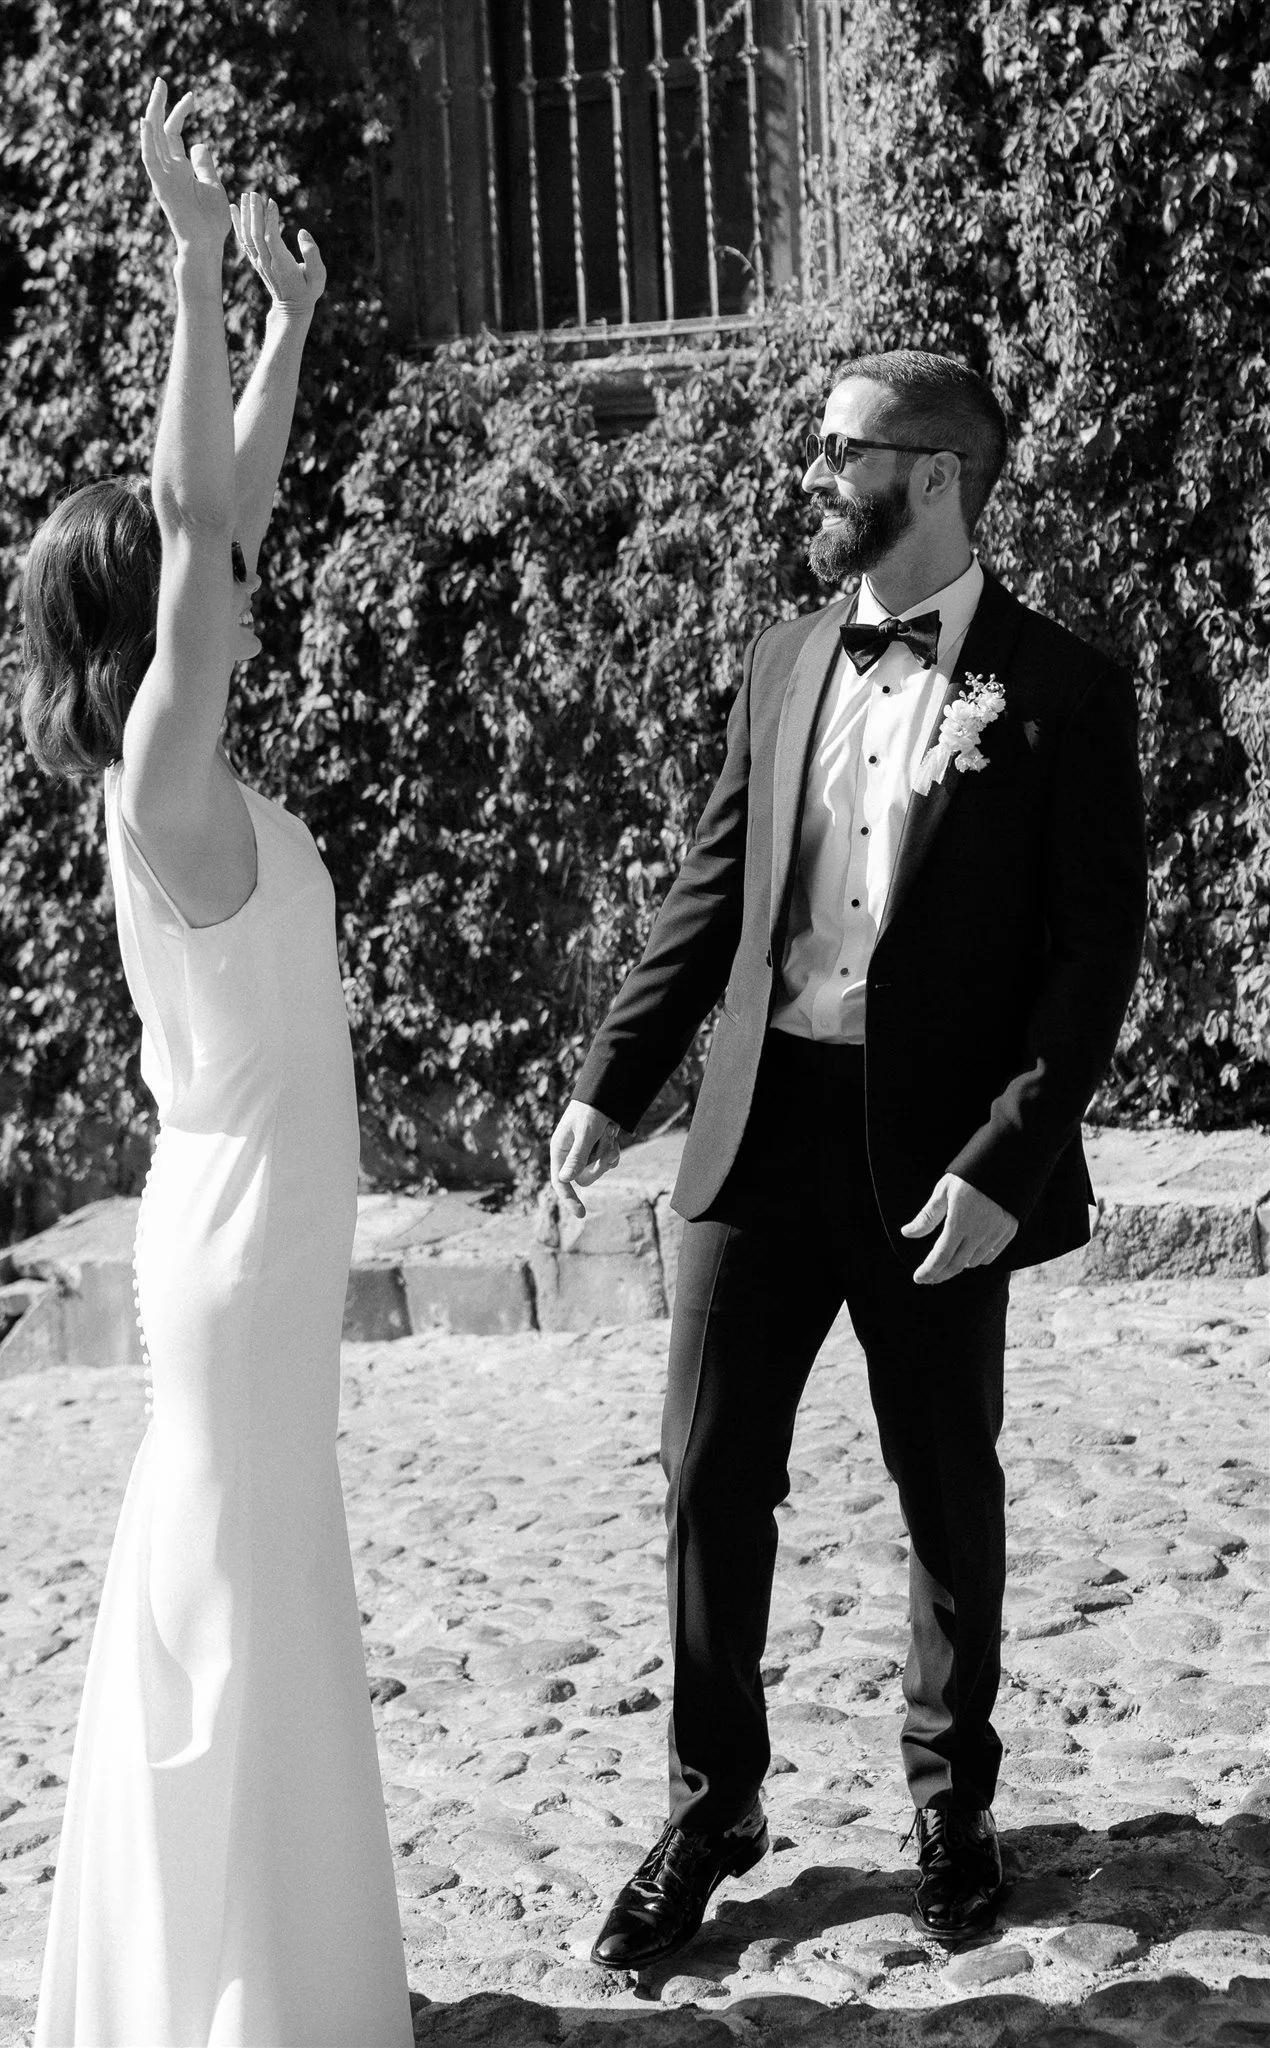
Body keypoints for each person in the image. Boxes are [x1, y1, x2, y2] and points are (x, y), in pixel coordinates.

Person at [550, 350, 1147, 1965]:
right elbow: (711, 888)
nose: (813, 473)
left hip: (934, 1159)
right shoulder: (780, 657)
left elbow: (1092, 953)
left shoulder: (1060, 689)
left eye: (841, 450)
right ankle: (711, 1806)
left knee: (942, 1481)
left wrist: (1007, 1161)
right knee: (705, 1473)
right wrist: (612, 1082)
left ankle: (951, 1805)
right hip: (757, 1132)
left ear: (934, 474)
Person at [22, 80, 412, 2047]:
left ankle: (256, 1968)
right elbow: (202, 526)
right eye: (202, 573)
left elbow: (221, 509)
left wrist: (290, 317)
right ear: (145, 619)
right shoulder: (163, 779)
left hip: (248, 1234)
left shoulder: (189, 773)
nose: (248, 570)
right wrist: (188, 260)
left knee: (253, 1571)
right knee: (238, 1588)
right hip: (237, 1248)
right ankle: (234, 1993)